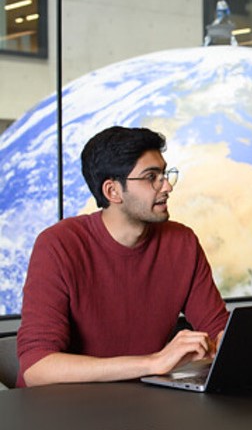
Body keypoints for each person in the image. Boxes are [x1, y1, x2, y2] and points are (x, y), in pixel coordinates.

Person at [16, 126, 229, 387]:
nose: (167, 186)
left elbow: (220, 330)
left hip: (145, 403)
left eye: (165, 174)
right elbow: (37, 368)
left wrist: (230, 345)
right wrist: (153, 362)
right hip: (63, 412)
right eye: (152, 177)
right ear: (112, 191)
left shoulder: (182, 242)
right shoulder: (58, 245)